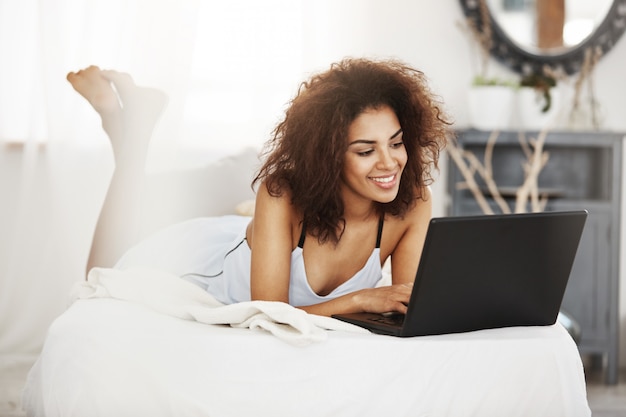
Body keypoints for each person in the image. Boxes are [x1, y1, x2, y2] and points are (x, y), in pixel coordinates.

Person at [67, 58, 451, 317]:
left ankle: (128, 125)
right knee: (98, 275)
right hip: (201, 269)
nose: (390, 163)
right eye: (366, 150)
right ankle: (131, 134)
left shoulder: (413, 202)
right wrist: (361, 299)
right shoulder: (280, 193)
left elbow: (407, 306)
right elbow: (267, 314)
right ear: (329, 154)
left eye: (396, 142)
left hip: (247, 238)